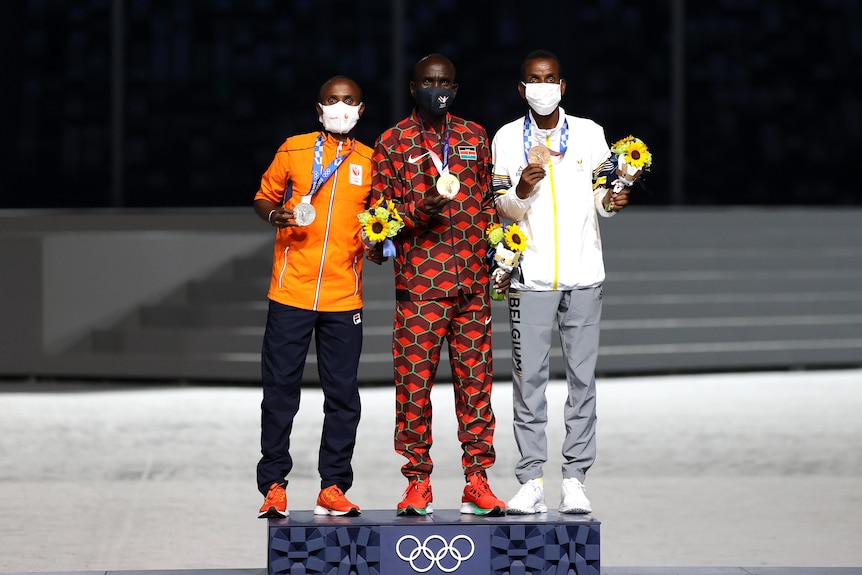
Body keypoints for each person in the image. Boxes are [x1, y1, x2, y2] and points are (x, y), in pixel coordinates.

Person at [490, 49, 631, 515]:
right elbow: (502, 209)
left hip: (585, 276)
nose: (543, 85)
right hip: (530, 279)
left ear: (563, 85)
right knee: (528, 382)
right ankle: (531, 479)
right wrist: (523, 189)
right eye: (534, 78)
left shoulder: (590, 134)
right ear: (522, 87)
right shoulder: (507, 139)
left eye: (550, 78)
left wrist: (614, 200)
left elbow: (603, 204)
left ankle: (575, 479)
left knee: (581, 382)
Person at [370, 53, 507, 517]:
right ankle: (417, 482)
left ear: (455, 86)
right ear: (413, 88)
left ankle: (476, 479)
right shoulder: (391, 142)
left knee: (476, 387)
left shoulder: (474, 137)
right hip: (419, 290)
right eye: (428, 81)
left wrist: (498, 251)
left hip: (471, 288)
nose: (437, 88)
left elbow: (488, 202)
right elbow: (377, 221)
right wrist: (416, 213)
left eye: (445, 81)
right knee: (413, 389)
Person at [253, 75, 374, 519]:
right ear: (318, 108)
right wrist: (275, 215)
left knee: (342, 397)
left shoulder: (370, 160)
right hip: (291, 292)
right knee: (280, 392)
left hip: (344, 298)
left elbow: (378, 222)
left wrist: (380, 244)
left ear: (361, 110)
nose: (340, 107)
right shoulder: (295, 148)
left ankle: (334, 486)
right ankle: (274, 485)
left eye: (349, 101)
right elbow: (262, 198)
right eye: (332, 100)